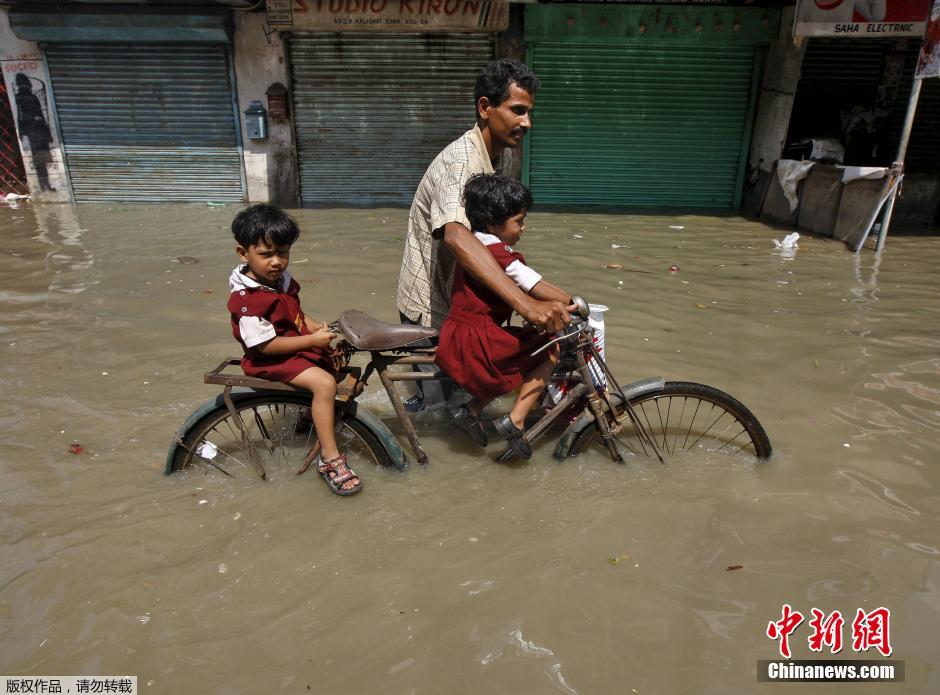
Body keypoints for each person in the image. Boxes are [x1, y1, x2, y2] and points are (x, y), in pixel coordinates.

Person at [396, 58, 573, 413]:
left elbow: (495, 241)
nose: (527, 123)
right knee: (441, 417)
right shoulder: (462, 163)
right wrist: (527, 305)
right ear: (485, 108)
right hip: (434, 307)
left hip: (469, 303)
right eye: (518, 110)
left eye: (529, 112)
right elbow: (458, 237)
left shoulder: (501, 157)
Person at [227, 204, 362, 496]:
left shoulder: (277, 280)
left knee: (335, 360)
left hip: (290, 349)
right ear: (243, 254)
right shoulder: (248, 301)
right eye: (266, 255)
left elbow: (294, 311)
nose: (277, 262)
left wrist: (313, 326)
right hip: (269, 359)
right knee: (325, 383)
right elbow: (265, 344)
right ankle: (330, 459)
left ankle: (310, 415)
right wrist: (311, 341)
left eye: (283, 253)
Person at [435, 174, 573, 460]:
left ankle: (471, 408)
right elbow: (535, 285)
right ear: (494, 224)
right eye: (519, 221)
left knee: (518, 357)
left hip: (459, 334)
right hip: (480, 339)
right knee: (549, 350)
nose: (523, 227)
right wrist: (575, 302)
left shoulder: (476, 245)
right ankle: (516, 420)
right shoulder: (500, 254)